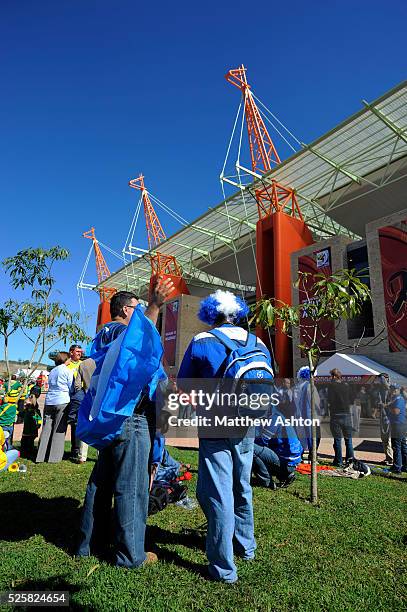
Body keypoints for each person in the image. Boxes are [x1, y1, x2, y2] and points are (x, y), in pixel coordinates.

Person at [77, 278, 173, 569]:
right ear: (126, 310)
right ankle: (131, 555)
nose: (140, 312)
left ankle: (89, 544)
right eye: (137, 308)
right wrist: (154, 305)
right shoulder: (124, 334)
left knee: (101, 483)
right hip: (131, 418)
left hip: (109, 420)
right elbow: (139, 354)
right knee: (132, 487)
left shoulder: (102, 337)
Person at [178, 289, 273, 584]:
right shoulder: (256, 341)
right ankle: (247, 547)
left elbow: (183, 385)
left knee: (219, 492)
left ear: (210, 314)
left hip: (215, 423)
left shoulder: (201, 341)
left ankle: (223, 568)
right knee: (241, 484)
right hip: (248, 423)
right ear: (238, 313)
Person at [36, 352, 73, 463]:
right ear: (66, 359)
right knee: (59, 429)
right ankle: (54, 457)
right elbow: (71, 387)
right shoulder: (67, 371)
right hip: (62, 400)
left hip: (50, 400)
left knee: (46, 428)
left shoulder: (52, 371)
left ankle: (41, 455)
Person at [252, 407, 302, 489]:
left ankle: (267, 483)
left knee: (251, 447)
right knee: (256, 448)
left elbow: (263, 440)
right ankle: (284, 475)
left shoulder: (275, 418)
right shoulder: (278, 416)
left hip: (286, 462)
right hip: (290, 461)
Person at [327, 368, 354, 466]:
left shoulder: (332, 386)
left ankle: (338, 461)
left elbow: (330, 399)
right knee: (348, 440)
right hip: (347, 414)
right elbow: (352, 399)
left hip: (336, 414)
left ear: (334, 376)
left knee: (337, 440)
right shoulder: (347, 386)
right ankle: (350, 460)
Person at [72, 356, 96, 464]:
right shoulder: (104, 359)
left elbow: (77, 384)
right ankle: (101, 454)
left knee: (85, 425)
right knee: (100, 426)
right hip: (101, 398)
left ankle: (82, 456)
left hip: (87, 397)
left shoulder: (83, 364)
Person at [294, 366, 321, 462]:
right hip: (310, 415)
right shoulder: (310, 386)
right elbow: (315, 402)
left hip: (299, 415)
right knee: (314, 437)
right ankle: (312, 456)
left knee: (301, 436)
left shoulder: (297, 386)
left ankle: (298, 455)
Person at [66, 344, 83, 459]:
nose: (79, 353)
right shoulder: (66, 364)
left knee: (76, 424)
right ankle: (55, 448)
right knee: (63, 423)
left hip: (79, 397)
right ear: (71, 352)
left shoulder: (83, 364)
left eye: (80, 352)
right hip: (66, 396)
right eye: (77, 351)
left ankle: (75, 449)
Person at [385, 384, 407, 474]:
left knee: (396, 446)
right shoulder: (399, 398)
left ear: (395, 390)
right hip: (401, 424)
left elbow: (396, 411)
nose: (390, 391)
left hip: (398, 425)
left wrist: (387, 407)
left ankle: (397, 468)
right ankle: (405, 466)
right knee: (402, 446)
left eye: (391, 389)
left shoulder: (398, 399)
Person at [20, 394, 42, 458]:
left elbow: (39, 419)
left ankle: (29, 454)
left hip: (32, 429)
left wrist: (38, 425)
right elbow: (21, 414)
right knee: (24, 441)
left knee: (29, 442)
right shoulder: (26, 411)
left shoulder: (35, 411)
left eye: (26, 403)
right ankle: (24, 452)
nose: (24, 405)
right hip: (26, 429)